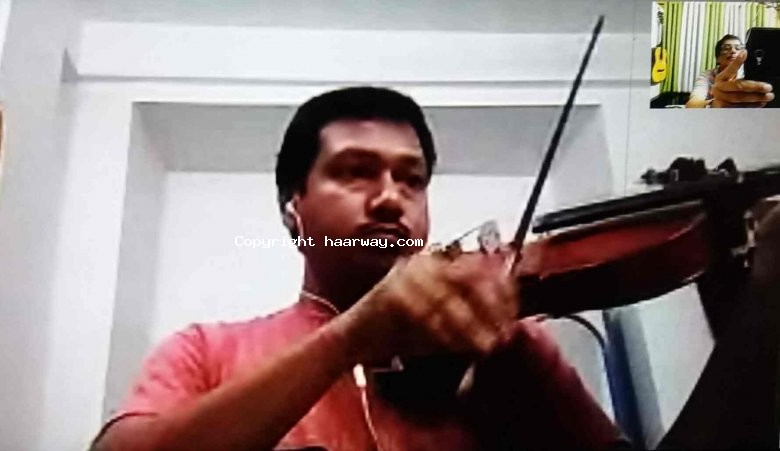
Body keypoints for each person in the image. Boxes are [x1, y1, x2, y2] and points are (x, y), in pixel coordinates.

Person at [93, 87, 626, 450]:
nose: (392, 198)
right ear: (293, 211)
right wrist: (348, 338)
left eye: (412, 179)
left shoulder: (504, 347)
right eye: (355, 172)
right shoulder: (205, 351)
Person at [686, 34, 774, 108]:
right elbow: (692, 105)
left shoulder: (749, 76)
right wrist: (714, 104)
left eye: (738, 48)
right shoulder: (707, 76)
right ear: (718, 58)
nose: (733, 51)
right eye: (727, 48)